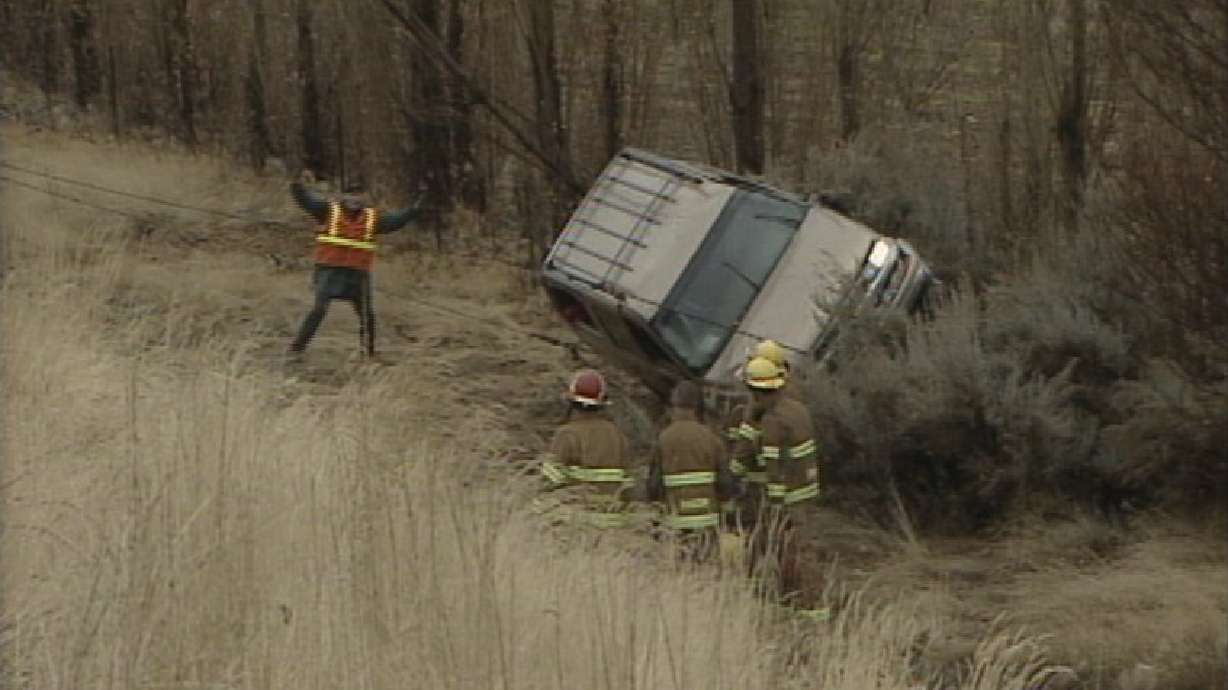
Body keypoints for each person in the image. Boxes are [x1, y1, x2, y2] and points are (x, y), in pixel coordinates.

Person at [286, 178, 423, 363]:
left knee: (367, 315)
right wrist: (296, 185)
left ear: (365, 198)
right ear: (343, 196)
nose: (355, 199)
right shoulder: (327, 210)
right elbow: (305, 201)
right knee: (318, 310)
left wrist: (414, 209)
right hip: (329, 271)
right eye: (351, 194)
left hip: (358, 274)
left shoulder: (373, 218)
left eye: (359, 195)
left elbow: (396, 221)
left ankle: (368, 354)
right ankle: (296, 350)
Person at [741, 356, 821, 606]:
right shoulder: (799, 409)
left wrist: (774, 508)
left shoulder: (772, 421)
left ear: (756, 392)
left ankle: (796, 604)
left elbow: (774, 471)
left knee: (787, 553)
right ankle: (811, 603)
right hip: (806, 490)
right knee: (805, 551)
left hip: (787, 499)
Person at [646, 380, 732, 564]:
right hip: (706, 520)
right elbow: (725, 483)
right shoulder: (712, 439)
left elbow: (654, 486)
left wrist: (655, 518)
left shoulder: (664, 439)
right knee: (707, 568)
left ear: (673, 406)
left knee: (680, 572)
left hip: (675, 521)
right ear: (697, 407)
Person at [538, 369, 633, 529]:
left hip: (577, 526)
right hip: (613, 528)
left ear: (571, 403)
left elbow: (549, 482)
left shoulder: (567, 434)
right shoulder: (617, 435)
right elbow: (628, 486)